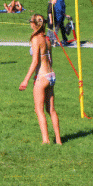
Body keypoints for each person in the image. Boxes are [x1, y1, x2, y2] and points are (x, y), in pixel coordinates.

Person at [19, 15, 62, 144]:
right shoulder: (47, 39)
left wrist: (26, 80)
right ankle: (59, 141)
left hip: (42, 76)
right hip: (51, 75)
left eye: (31, 22)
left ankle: (46, 140)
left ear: (34, 24)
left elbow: (35, 61)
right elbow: (50, 60)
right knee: (51, 110)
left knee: (39, 109)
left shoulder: (36, 39)